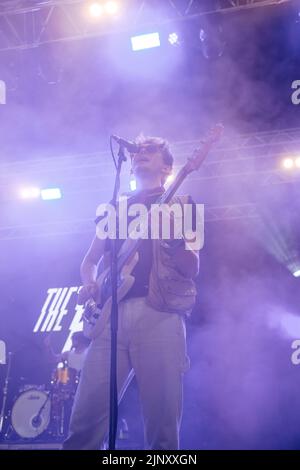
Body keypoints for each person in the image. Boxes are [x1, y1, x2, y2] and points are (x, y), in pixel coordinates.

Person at [63, 136, 200, 450]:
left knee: (162, 427)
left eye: (151, 150)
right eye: (139, 149)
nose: (141, 153)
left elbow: (192, 267)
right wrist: (90, 282)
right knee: (84, 422)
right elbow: (89, 260)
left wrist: (176, 240)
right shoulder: (114, 208)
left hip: (160, 314)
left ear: (167, 167)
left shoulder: (182, 203)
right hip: (110, 317)